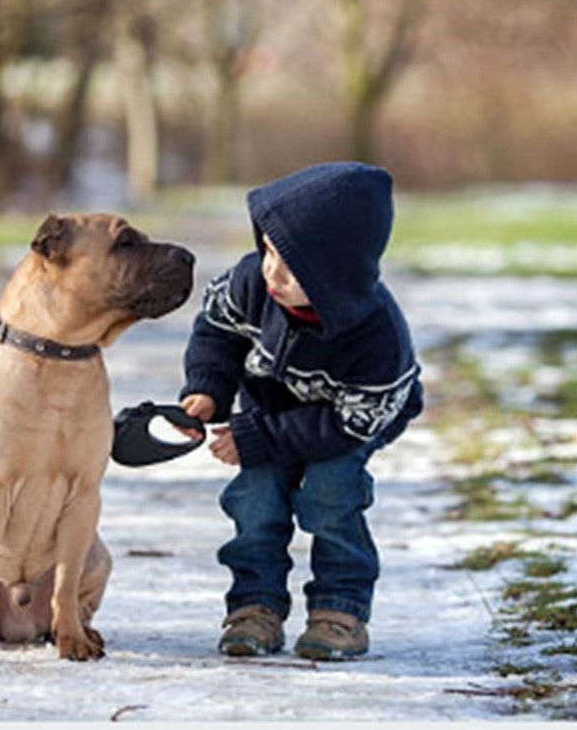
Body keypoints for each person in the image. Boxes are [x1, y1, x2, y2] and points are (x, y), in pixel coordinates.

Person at [178, 161, 424, 661]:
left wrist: (259, 438)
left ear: (336, 276)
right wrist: (208, 389)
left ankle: (340, 610)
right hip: (273, 405)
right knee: (256, 497)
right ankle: (255, 606)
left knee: (331, 493)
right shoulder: (251, 283)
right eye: (268, 251)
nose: (272, 272)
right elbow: (217, 332)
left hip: (352, 419)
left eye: (292, 267)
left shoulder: (378, 339)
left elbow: (350, 422)